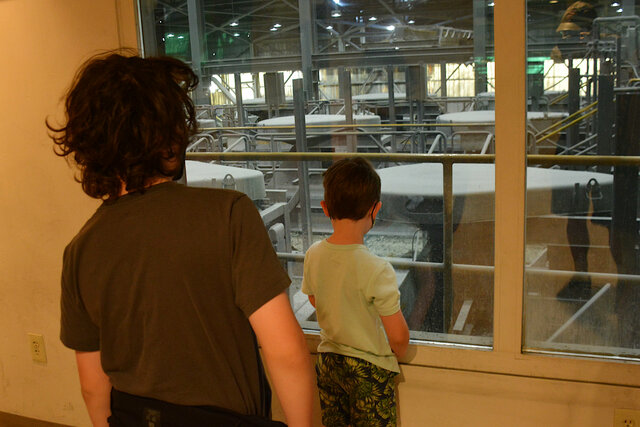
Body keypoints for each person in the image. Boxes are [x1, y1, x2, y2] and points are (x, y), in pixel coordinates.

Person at [47, 52, 314, 427]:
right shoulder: (228, 214)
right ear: (169, 131)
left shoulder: (79, 250)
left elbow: (93, 387)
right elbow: (285, 352)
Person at [301, 157, 410, 427]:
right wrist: (398, 350)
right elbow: (398, 336)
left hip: (329, 363)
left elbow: (315, 298)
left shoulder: (313, 254)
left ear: (325, 208)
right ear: (376, 209)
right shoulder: (377, 268)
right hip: (368, 371)